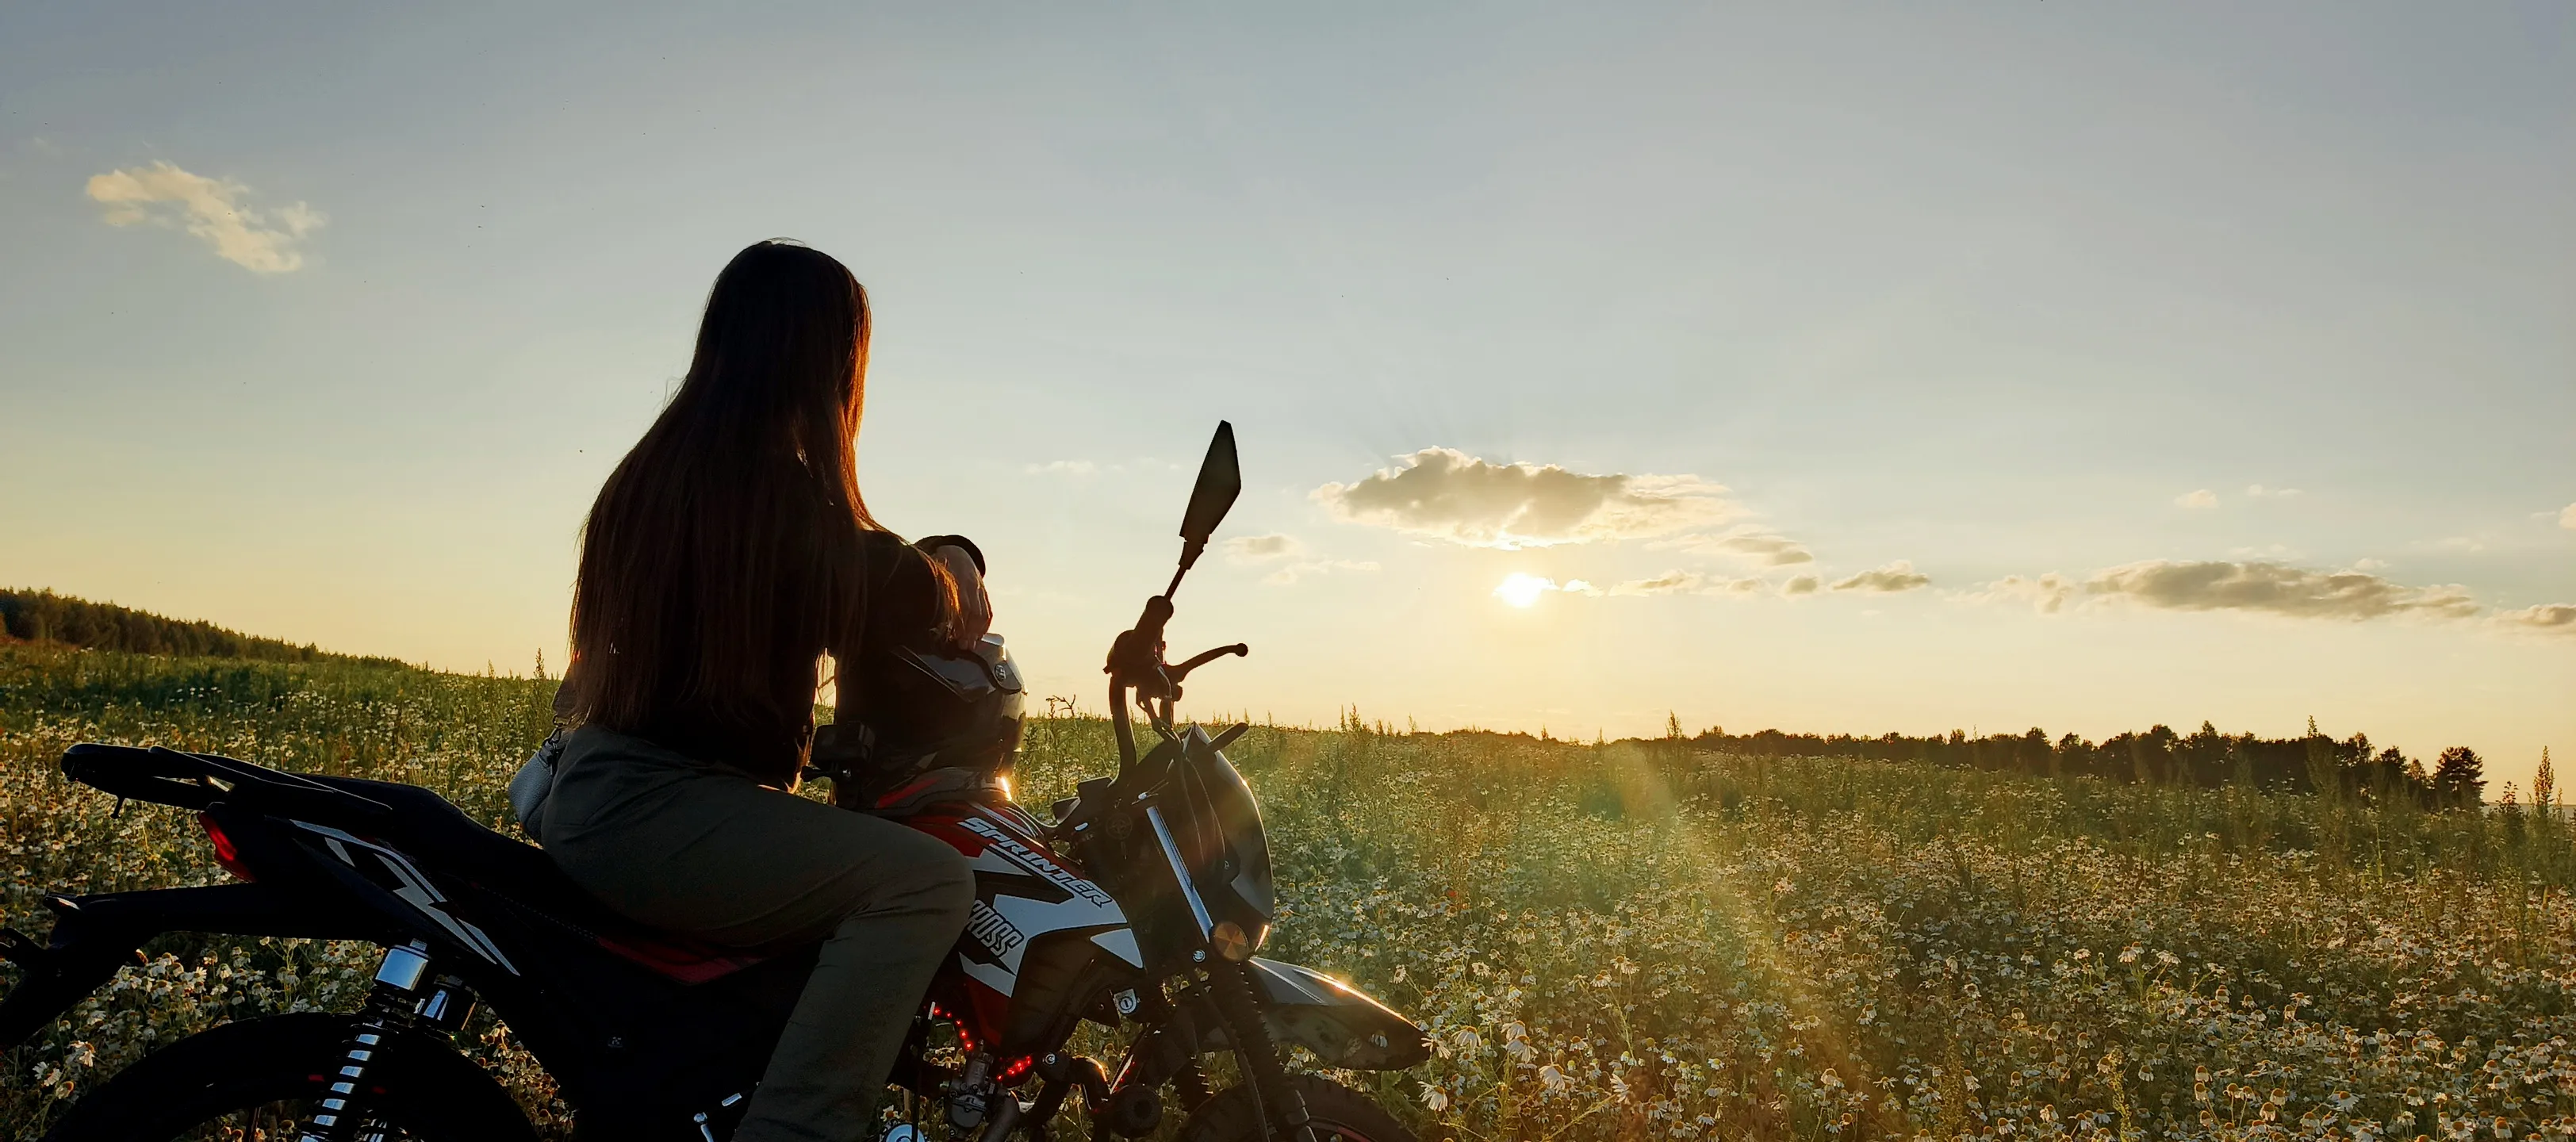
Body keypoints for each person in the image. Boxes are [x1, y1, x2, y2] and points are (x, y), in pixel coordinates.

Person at [536, 240, 987, 1142]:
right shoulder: (771, 497)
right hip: (657, 806)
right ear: (823, 360)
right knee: (925, 882)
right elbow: (900, 592)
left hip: (606, 789)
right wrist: (955, 562)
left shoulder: (661, 475)